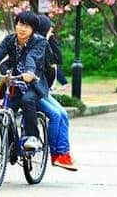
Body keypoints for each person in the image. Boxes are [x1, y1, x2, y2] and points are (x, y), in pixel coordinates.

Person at [0, 11, 46, 150]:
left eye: (27, 26)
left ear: (33, 30)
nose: (23, 29)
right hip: (15, 82)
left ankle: (33, 137)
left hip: (33, 83)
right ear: (16, 24)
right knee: (7, 108)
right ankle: (10, 146)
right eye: (21, 24)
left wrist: (29, 72)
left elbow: (32, 57)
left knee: (27, 100)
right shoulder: (10, 40)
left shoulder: (39, 41)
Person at [35, 14, 77, 170]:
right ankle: (56, 154)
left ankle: (63, 154)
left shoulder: (44, 43)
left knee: (63, 115)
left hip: (43, 90)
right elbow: (51, 66)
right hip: (34, 91)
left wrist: (50, 39)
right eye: (49, 28)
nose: (52, 30)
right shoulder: (36, 45)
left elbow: (57, 60)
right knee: (55, 115)